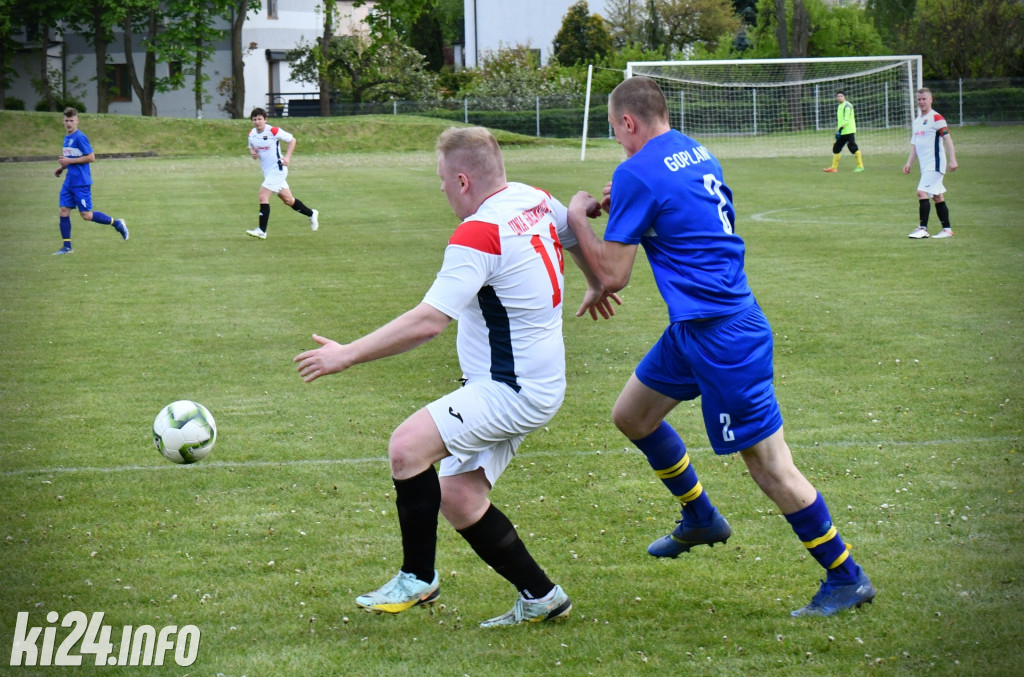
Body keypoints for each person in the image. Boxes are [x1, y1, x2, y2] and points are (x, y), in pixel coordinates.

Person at [565, 76, 875, 617]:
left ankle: (846, 576)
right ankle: (701, 517)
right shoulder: (695, 150)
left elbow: (614, 274)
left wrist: (575, 215)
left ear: (628, 121)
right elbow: (675, 209)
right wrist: (622, 203)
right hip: (694, 328)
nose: (616, 139)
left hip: (725, 336)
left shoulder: (636, 171)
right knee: (632, 416)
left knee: (770, 466)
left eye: (615, 129)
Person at [294, 127, 618, 627]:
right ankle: (542, 596)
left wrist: (347, 355)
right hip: (538, 381)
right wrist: (593, 270)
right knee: (460, 498)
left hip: (510, 389)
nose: (441, 187)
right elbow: (573, 231)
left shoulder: (478, 232)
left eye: (443, 178)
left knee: (407, 447)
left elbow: (429, 322)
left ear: (463, 181)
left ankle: (417, 577)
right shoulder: (532, 198)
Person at [52, 107, 129, 255]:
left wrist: (69, 161)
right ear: (63, 121)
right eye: (66, 121)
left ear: (77, 121)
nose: (69, 124)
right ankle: (67, 247)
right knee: (63, 210)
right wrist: (61, 168)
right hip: (69, 181)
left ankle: (117, 223)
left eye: (71, 120)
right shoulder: (66, 138)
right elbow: (70, 159)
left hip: (81, 182)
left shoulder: (80, 137)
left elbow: (91, 157)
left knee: (86, 215)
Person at [245, 108, 319, 239]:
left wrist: (287, 157)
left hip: (278, 170)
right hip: (268, 172)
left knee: (263, 196)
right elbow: (251, 145)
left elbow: (292, 140)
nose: (257, 122)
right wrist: (252, 152)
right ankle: (311, 213)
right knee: (288, 200)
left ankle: (262, 230)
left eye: (260, 119)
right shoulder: (252, 134)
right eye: (254, 119)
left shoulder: (273, 131)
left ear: (265, 120)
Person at [905, 88, 958, 239]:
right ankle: (947, 230)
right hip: (925, 166)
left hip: (936, 163)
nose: (921, 102)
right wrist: (909, 163)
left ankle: (923, 229)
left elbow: (947, 139)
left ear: (931, 99)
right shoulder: (917, 121)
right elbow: (915, 145)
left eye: (924, 99)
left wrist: (953, 159)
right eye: (919, 99)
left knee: (921, 192)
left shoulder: (937, 118)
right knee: (937, 196)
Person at [823, 91, 864, 173]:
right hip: (842, 131)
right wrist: (839, 130)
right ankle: (834, 168)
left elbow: (846, 119)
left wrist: (840, 130)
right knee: (836, 148)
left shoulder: (847, 106)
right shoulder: (840, 106)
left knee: (853, 148)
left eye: (841, 96)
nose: (839, 97)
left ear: (844, 97)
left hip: (849, 130)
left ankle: (860, 166)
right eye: (838, 96)